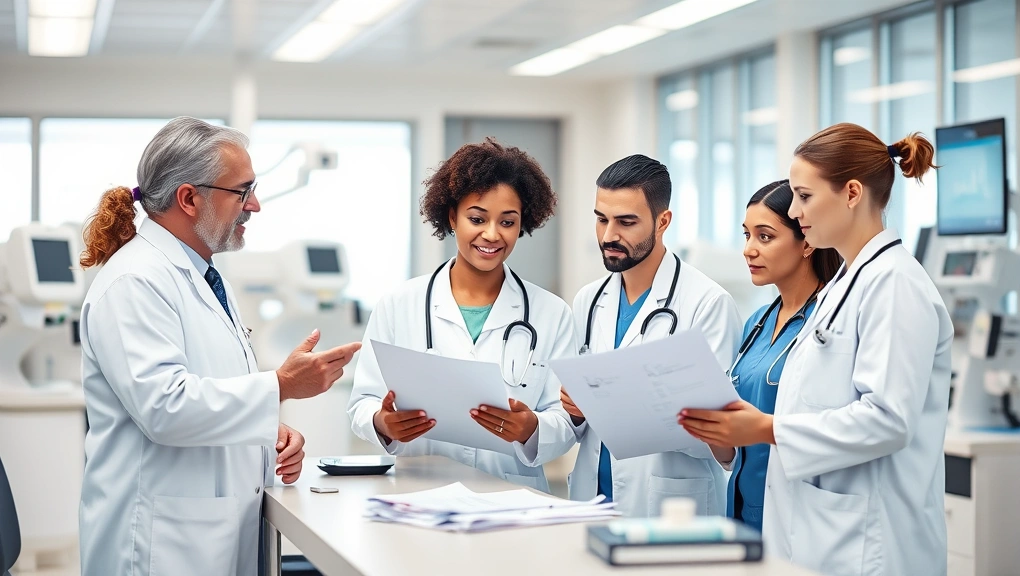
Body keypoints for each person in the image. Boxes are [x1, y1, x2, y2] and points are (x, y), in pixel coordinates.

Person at [77, 117, 361, 575]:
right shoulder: (135, 280)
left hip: (209, 531)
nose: (256, 205)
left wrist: (267, 435)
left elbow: (211, 389)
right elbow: (164, 408)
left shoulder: (205, 276)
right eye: (242, 191)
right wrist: (280, 387)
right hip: (159, 543)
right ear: (189, 198)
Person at [680, 123, 953, 575]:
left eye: (804, 196)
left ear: (851, 193)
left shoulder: (895, 284)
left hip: (874, 543)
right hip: (823, 532)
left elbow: (887, 421)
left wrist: (767, 428)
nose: (794, 210)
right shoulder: (844, 286)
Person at [347, 138, 576, 492]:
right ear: (452, 216)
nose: (492, 234)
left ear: (522, 224)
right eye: (477, 218)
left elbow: (567, 420)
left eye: (507, 221)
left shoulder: (552, 313)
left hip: (513, 498)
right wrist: (383, 423)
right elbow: (362, 402)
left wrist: (532, 429)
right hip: (421, 494)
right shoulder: (398, 304)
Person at [561, 154, 742, 517]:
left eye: (626, 222)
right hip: (592, 500)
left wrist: (623, 407)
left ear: (663, 221)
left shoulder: (707, 303)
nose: (608, 236)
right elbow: (575, 423)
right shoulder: (589, 300)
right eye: (601, 219)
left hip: (670, 506)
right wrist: (576, 413)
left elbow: (722, 436)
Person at [695, 179, 842, 532]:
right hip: (742, 511)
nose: (748, 250)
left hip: (796, 516)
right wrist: (714, 433)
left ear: (807, 242)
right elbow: (734, 451)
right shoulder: (756, 324)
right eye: (747, 235)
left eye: (764, 236)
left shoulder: (830, 322)